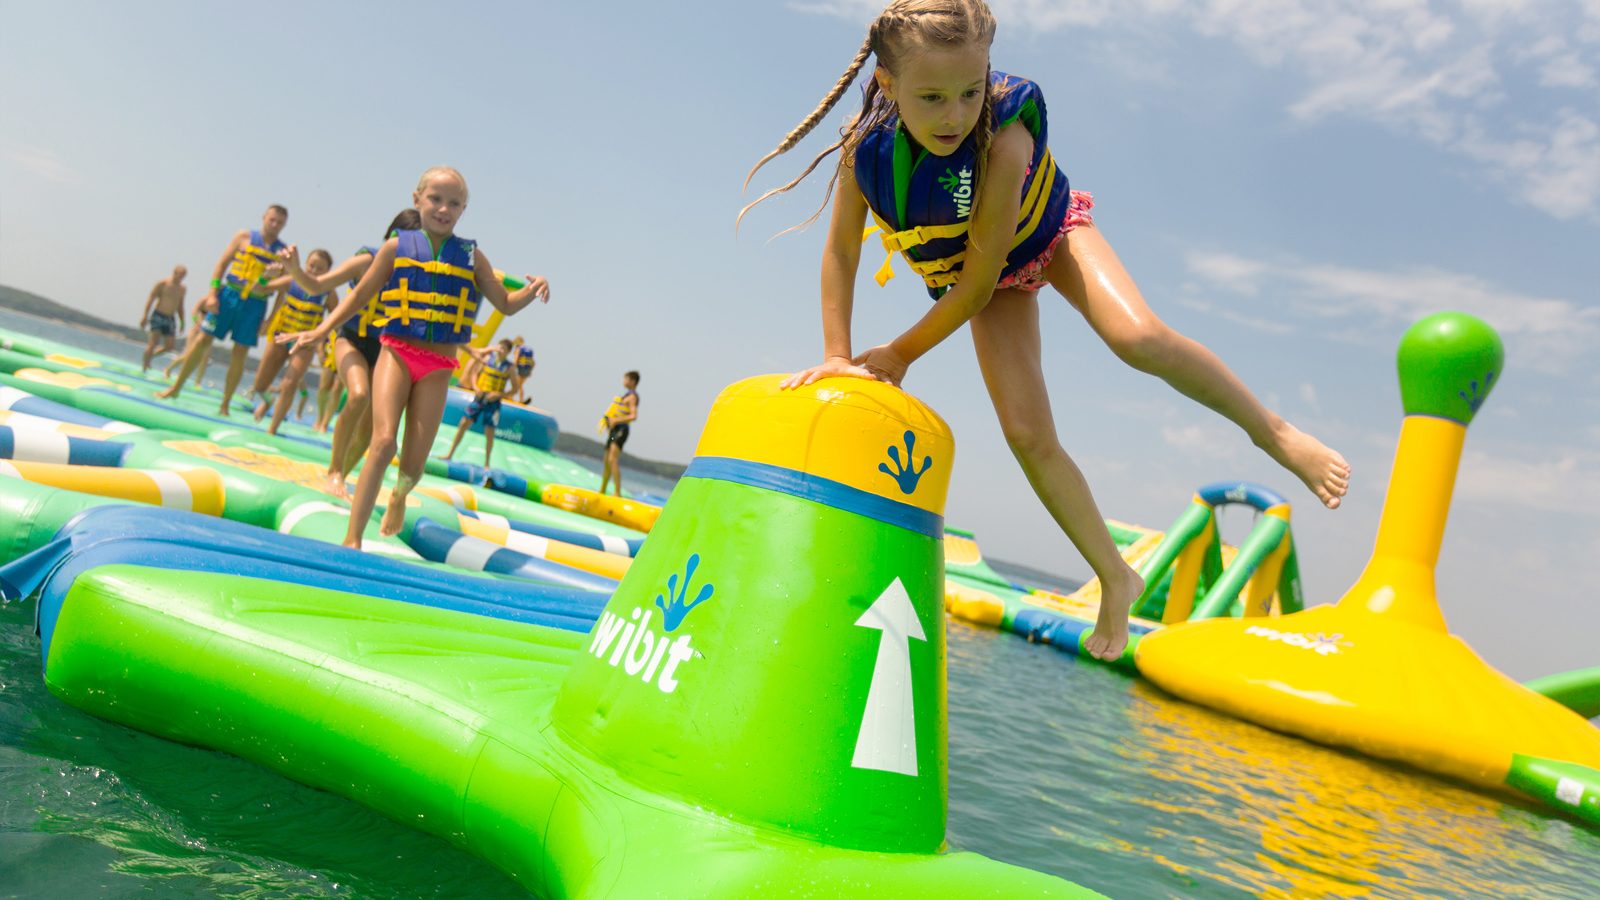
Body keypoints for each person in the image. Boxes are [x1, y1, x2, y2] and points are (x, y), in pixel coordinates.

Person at [742, 0, 1349, 662]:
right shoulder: (866, 151)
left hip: (1047, 235)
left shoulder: (1005, 140)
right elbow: (842, 254)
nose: (954, 115)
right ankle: (1118, 576)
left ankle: (1276, 432)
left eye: (971, 91)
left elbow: (973, 287)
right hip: (987, 280)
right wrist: (836, 355)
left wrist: (897, 353)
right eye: (932, 97)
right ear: (887, 87)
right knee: (1028, 435)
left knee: (1135, 338)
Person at [280, 166, 549, 547]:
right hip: (397, 352)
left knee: (413, 465)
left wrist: (532, 290)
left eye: (454, 203)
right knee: (384, 440)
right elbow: (357, 296)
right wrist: (321, 330)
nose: (443, 209)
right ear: (417, 199)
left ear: (463, 209)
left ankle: (398, 496)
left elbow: (504, 304)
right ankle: (352, 538)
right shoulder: (395, 248)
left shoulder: (471, 256)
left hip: (439, 366)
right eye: (436, 199)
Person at [278, 209, 421, 496]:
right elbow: (317, 285)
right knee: (358, 395)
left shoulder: (418, 276)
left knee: (373, 426)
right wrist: (295, 271)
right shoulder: (367, 260)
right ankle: (334, 472)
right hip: (351, 339)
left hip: (383, 350)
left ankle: (342, 475)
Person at [158, 205, 291, 415]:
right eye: (272, 220)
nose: (274, 225)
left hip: (255, 305)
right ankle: (175, 388)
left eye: (280, 223)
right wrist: (212, 295)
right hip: (229, 295)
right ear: (264, 217)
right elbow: (221, 264)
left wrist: (270, 320)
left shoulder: (283, 253)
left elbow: (283, 290)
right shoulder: (243, 236)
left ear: (284, 225)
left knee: (240, 353)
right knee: (202, 340)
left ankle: (225, 404)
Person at [255, 249, 338, 435]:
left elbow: (337, 320)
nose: (314, 271)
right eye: (311, 266)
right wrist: (265, 276)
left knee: (289, 384)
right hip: (281, 336)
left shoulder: (328, 294)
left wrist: (325, 347)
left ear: (328, 272)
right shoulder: (290, 281)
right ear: (305, 265)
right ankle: (268, 400)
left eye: (320, 268)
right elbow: (260, 289)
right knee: (259, 385)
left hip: (304, 344)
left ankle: (272, 429)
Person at [442, 338, 520, 469]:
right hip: (480, 397)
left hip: (493, 401)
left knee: (489, 431)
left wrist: (500, 395)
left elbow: (515, 388)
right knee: (464, 423)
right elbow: (474, 374)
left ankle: (487, 463)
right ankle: (449, 454)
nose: (499, 350)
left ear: (508, 352)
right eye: (499, 347)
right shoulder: (487, 360)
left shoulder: (510, 368)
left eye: (503, 349)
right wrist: (475, 387)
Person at [597, 370, 639, 497]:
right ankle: (602, 490)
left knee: (612, 459)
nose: (624, 381)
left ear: (632, 381)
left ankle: (617, 492)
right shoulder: (624, 396)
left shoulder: (632, 397)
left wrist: (616, 420)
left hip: (622, 430)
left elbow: (633, 416)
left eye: (626, 379)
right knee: (606, 460)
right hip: (614, 430)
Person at [139, 265, 187, 373]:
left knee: (169, 347)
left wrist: (182, 322)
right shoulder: (162, 284)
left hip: (170, 318)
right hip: (158, 315)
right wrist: (144, 316)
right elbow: (151, 299)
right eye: (180, 275)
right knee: (153, 343)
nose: (181, 278)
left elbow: (180, 306)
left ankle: (149, 357)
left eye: (183, 276)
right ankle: (145, 367)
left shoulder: (182, 289)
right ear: (174, 273)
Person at [162, 292, 216, 384]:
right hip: (196, 330)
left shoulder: (220, 305)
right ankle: (168, 369)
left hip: (208, 332)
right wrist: (197, 322)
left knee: (205, 357)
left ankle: (198, 382)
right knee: (188, 354)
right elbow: (194, 312)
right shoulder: (205, 300)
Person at [511, 335, 535, 403]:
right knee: (519, 385)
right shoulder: (528, 350)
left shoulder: (518, 349)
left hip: (521, 369)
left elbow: (516, 359)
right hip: (527, 370)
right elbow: (533, 362)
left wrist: (511, 368)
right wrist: (530, 371)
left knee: (517, 384)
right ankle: (519, 398)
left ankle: (515, 398)